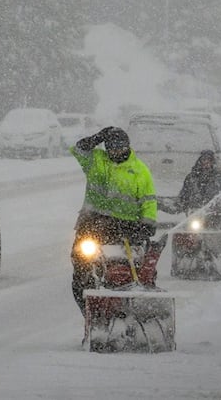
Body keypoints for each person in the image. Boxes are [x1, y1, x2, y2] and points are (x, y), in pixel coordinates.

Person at [69, 126, 157, 313]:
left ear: (127, 147)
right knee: (82, 267)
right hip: (92, 225)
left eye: (119, 148)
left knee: (131, 268)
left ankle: (132, 304)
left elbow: (148, 202)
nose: (115, 152)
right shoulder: (95, 160)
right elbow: (78, 149)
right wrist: (96, 137)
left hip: (126, 229)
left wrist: (147, 224)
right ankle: (91, 312)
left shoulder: (140, 171)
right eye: (111, 148)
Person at [173, 150, 221, 227]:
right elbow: (184, 193)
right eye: (203, 160)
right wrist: (183, 204)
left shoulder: (220, 177)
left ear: (212, 162)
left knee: (214, 228)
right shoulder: (191, 177)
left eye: (208, 160)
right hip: (195, 211)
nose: (206, 162)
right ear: (200, 161)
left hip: (214, 213)